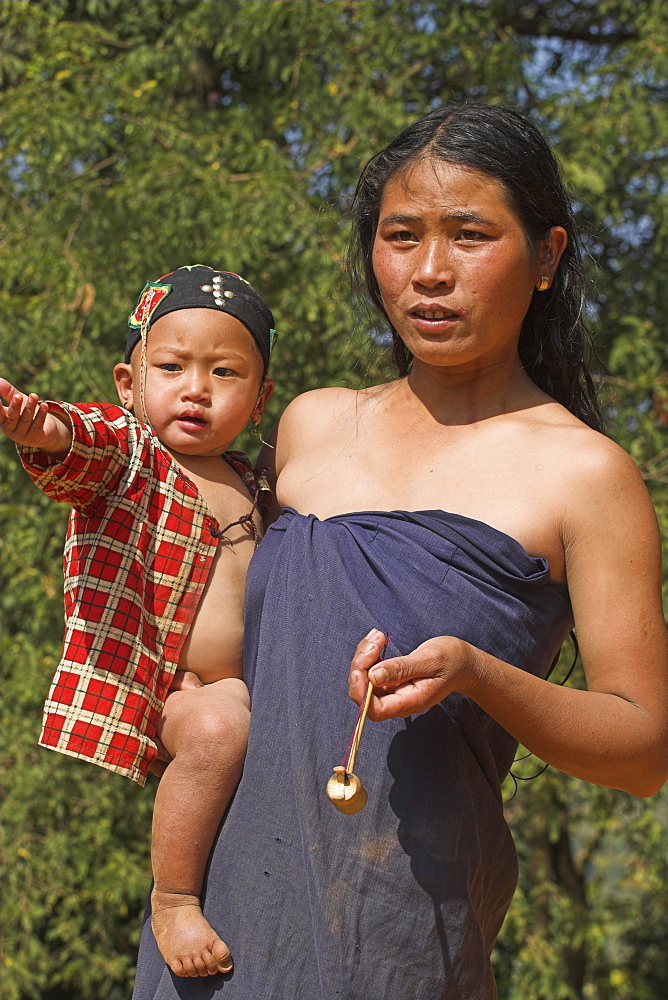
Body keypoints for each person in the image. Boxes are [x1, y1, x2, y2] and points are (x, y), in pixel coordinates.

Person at [132, 104, 668, 999]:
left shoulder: (586, 476)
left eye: (470, 235)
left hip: (399, 940)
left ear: (546, 256)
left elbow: (645, 751)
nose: (429, 272)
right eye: (401, 236)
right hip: (217, 928)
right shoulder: (310, 424)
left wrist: (475, 673)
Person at [0, 265, 277, 979]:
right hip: (171, 691)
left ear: (260, 396)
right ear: (130, 383)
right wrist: (49, 428)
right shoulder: (136, 458)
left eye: (224, 372)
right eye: (172, 366)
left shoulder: (257, 481)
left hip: (256, 688)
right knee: (222, 729)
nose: (196, 388)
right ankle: (175, 898)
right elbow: (83, 447)